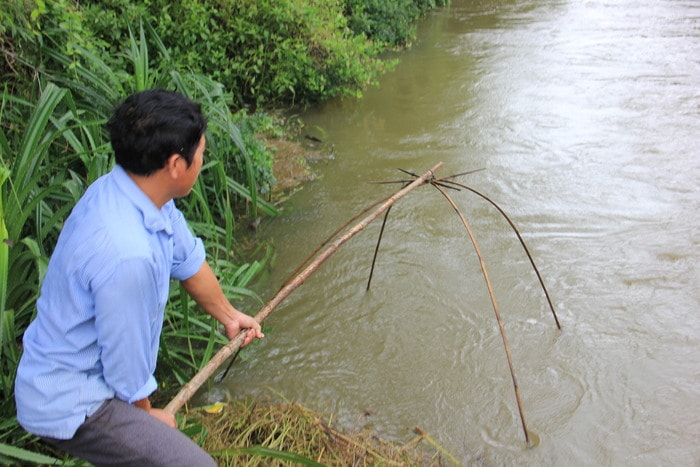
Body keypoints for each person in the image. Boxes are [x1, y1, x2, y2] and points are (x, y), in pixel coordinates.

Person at [14, 88, 264, 466]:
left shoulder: (135, 193)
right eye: (201, 154)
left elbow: (189, 261)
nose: (203, 160)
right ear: (177, 165)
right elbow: (126, 369)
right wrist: (147, 417)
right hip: (71, 398)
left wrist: (231, 317)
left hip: (87, 375)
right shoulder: (127, 252)